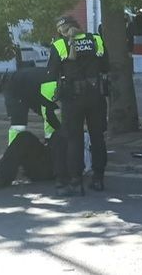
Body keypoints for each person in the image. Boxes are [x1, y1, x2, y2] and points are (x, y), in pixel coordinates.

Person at [48, 16, 109, 195]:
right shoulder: (96, 39)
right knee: (97, 138)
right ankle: (98, 179)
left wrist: (54, 99)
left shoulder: (60, 45)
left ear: (61, 30)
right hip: (95, 95)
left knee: (73, 139)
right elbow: (106, 66)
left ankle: (76, 181)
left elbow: (52, 74)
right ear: (78, 26)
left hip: (72, 98)